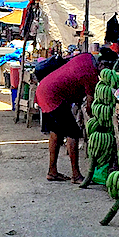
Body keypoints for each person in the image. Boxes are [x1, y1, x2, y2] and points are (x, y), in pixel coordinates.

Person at [35, 49, 99, 183]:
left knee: (56, 132)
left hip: (44, 89)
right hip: (54, 96)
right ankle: (76, 175)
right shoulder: (91, 74)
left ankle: (52, 172)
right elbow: (89, 106)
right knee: (73, 132)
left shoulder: (86, 57)